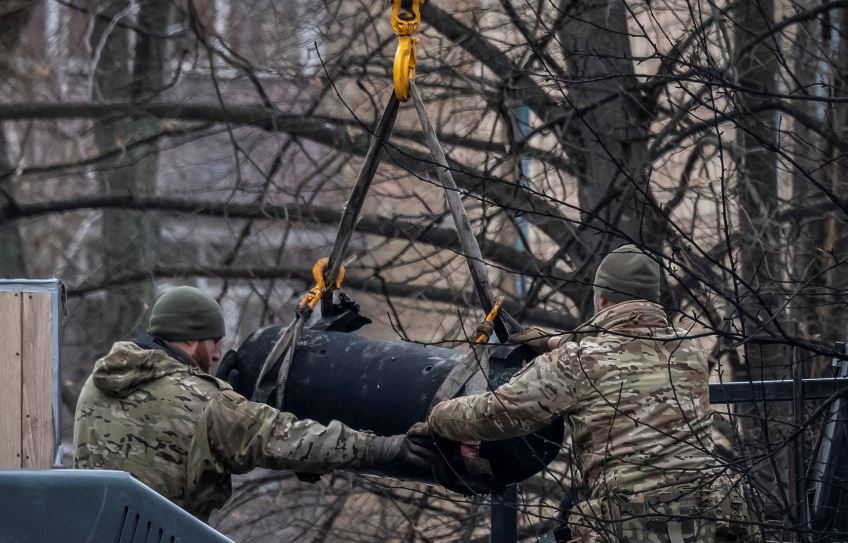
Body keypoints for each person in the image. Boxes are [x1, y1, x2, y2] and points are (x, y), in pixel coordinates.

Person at [411, 245, 754, 542]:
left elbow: (497, 413)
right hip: (712, 519)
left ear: (601, 298)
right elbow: (630, 345)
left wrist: (437, 416)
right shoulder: (688, 350)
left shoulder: (578, 361)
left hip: (636, 524)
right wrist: (552, 340)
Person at [74, 286, 435, 521]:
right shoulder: (204, 402)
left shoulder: (98, 385)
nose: (216, 354)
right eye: (213, 342)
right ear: (189, 338)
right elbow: (290, 438)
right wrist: (382, 447)